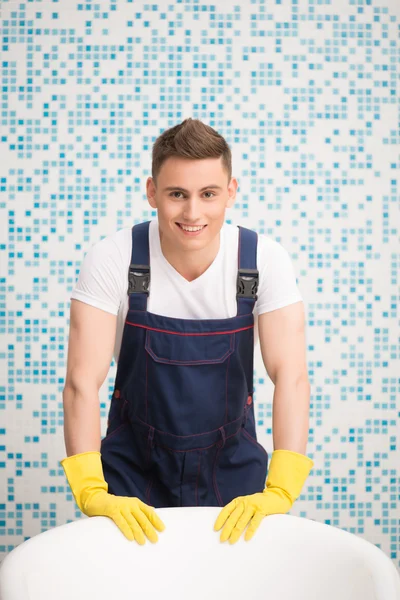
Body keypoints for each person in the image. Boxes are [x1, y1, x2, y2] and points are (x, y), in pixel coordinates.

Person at [60, 118, 314, 546]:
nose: (193, 213)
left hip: (234, 481)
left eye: (208, 194)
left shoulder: (263, 261)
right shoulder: (114, 258)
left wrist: (281, 490)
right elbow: (82, 383)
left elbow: (290, 376)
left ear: (231, 191)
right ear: (151, 192)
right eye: (177, 194)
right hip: (130, 481)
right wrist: (92, 492)